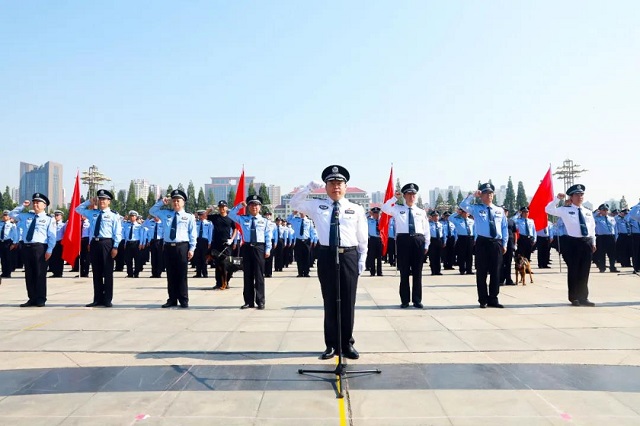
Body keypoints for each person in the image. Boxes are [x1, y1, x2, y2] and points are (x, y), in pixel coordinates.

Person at [290, 165, 368, 360]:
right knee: (330, 301)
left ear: (346, 186)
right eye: (331, 183)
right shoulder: (317, 206)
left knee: (348, 301)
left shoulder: (355, 209)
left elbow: (362, 238)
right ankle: (331, 344)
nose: (336, 187)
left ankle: (347, 344)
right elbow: (294, 202)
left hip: (349, 255)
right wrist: (309, 187)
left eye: (339, 183)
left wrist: (362, 259)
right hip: (326, 255)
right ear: (325, 187)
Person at [545, 184, 597, 306]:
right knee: (574, 270)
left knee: (585, 271)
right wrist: (557, 199)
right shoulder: (565, 210)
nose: (580, 197)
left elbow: (592, 228)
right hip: (573, 242)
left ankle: (584, 297)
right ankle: (574, 297)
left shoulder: (588, 212)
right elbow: (548, 210)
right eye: (577, 195)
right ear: (571, 197)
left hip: (587, 242)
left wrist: (593, 242)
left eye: (581, 194)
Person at [460, 183, 508, 308]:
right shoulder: (476, 208)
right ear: (481, 195)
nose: (489, 195)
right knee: (481, 272)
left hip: (496, 242)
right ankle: (483, 299)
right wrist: (472, 196)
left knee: (496, 272)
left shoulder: (499, 210)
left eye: (491, 193)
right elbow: (463, 206)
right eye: (486, 193)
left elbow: (504, 228)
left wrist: (505, 243)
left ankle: (493, 298)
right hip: (482, 242)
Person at [381, 183, 429, 309]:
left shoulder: (420, 211)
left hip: (418, 240)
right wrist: (394, 198)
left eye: (413, 194)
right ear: (404, 195)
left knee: (417, 272)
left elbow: (426, 229)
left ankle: (417, 300)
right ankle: (405, 300)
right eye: (408, 194)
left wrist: (427, 244)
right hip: (403, 240)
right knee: (404, 272)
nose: (411, 196)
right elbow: (385, 208)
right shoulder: (397, 208)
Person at [150, 189, 197, 308]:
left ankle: (184, 299)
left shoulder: (189, 217)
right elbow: (152, 211)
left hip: (182, 247)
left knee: (182, 274)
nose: (176, 203)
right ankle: (172, 299)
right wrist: (161, 202)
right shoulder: (166, 214)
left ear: (183, 202)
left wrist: (192, 248)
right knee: (170, 274)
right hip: (168, 247)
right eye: (174, 200)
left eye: (178, 200)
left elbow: (193, 234)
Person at [75, 189, 122, 307]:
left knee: (107, 272)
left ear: (109, 201)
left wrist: (115, 246)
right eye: (100, 199)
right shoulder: (93, 213)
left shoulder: (113, 215)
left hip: (107, 243)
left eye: (104, 199)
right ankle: (97, 299)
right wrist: (89, 202)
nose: (102, 201)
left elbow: (118, 233)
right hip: (95, 244)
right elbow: (78, 209)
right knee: (96, 272)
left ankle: (107, 299)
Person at [9, 194, 57, 307]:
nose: (35, 204)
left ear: (44, 205)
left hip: (40, 248)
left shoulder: (49, 219)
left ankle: (40, 298)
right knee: (29, 274)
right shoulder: (26, 216)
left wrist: (49, 250)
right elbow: (12, 214)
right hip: (27, 247)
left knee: (40, 274)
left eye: (38, 202)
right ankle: (32, 298)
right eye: (34, 202)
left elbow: (52, 236)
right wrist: (22, 206)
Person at [228, 195, 272, 310]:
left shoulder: (265, 221)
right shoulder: (243, 219)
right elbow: (231, 215)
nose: (254, 207)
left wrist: (267, 249)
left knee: (259, 276)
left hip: (259, 248)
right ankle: (248, 301)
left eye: (256, 205)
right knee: (247, 275)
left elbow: (268, 236)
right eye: (252, 205)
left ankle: (260, 301)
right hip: (247, 248)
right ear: (248, 207)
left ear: (260, 207)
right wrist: (239, 206)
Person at [206, 200, 237, 289]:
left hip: (226, 245)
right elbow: (204, 216)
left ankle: (227, 282)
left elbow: (235, 229)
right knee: (218, 265)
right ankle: (219, 283)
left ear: (226, 208)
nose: (222, 208)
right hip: (216, 244)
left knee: (228, 264)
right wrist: (211, 209)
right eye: (220, 207)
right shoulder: (215, 217)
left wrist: (232, 239)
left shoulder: (230, 219)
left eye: (223, 207)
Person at [594, 204, 619, 273]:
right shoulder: (597, 219)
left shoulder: (611, 218)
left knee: (612, 254)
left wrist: (616, 237)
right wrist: (597, 213)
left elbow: (615, 228)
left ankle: (612, 267)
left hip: (611, 237)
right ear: (600, 211)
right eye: (603, 210)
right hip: (601, 237)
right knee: (601, 253)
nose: (605, 211)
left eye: (606, 210)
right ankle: (602, 268)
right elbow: (591, 219)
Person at [289, 211, 313, 277]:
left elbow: (311, 231)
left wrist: (312, 240)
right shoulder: (296, 220)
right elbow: (288, 220)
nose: (302, 213)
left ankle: (306, 272)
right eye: (301, 212)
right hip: (298, 241)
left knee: (307, 257)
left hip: (306, 240)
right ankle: (300, 272)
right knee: (299, 258)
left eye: (303, 212)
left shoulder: (309, 221)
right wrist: (293, 213)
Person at [450, 207, 474, 275]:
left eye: (466, 212)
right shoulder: (457, 220)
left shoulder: (471, 221)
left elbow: (475, 230)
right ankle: (462, 269)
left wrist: (475, 239)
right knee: (461, 254)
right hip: (462, 238)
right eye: (464, 212)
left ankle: (469, 269)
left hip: (470, 238)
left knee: (469, 255)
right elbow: (450, 218)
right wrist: (457, 212)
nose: (465, 213)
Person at [193, 210, 213, 278]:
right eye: (199, 215)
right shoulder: (196, 223)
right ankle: (198, 273)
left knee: (204, 257)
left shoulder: (209, 223)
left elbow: (210, 233)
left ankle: (205, 273)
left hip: (205, 241)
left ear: (205, 216)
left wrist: (210, 242)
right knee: (197, 257)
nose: (201, 217)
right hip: (197, 240)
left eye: (202, 215)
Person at [366, 207, 383, 276]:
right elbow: (362, 218)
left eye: (377, 213)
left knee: (379, 257)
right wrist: (368, 213)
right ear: (372, 214)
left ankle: (379, 272)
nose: (376, 215)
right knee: (371, 256)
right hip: (372, 239)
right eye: (374, 213)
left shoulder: (382, 220)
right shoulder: (369, 220)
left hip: (380, 239)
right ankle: (372, 271)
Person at [48, 210, 66, 277]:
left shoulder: (63, 225)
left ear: (61, 216)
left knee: (59, 259)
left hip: (59, 243)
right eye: (55, 215)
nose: (56, 216)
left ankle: (59, 273)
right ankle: (54, 272)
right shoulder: (52, 224)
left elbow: (65, 234)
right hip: (52, 242)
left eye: (58, 215)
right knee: (53, 258)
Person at [0, 210, 18, 278]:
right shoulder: (1, 223)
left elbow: (15, 234)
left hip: (8, 242)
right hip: (1, 242)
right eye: (4, 215)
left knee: (8, 258)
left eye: (6, 215)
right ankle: (4, 272)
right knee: (3, 258)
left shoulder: (11, 224)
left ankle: (8, 272)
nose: (5, 217)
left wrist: (14, 243)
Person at [501, 206, 516, 285]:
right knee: (500, 262)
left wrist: (515, 243)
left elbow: (514, 233)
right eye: (503, 211)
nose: (504, 212)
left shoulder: (511, 221)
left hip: (510, 242)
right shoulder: (497, 220)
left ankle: (508, 279)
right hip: (500, 242)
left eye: (505, 211)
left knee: (508, 262)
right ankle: (500, 279)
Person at [427, 210, 444, 276]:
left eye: (437, 216)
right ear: (431, 217)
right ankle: (433, 270)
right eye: (434, 216)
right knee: (432, 256)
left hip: (439, 240)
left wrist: (444, 241)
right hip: (432, 240)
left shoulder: (440, 224)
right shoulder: (429, 224)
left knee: (438, 256)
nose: (436, 217)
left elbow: (443, 233)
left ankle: (438, 271)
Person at [629, 202, 640, 273]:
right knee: (637, 252)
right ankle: (636, 267)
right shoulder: (637, 214)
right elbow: (632, 214)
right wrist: (638, 204)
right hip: (637, 235)